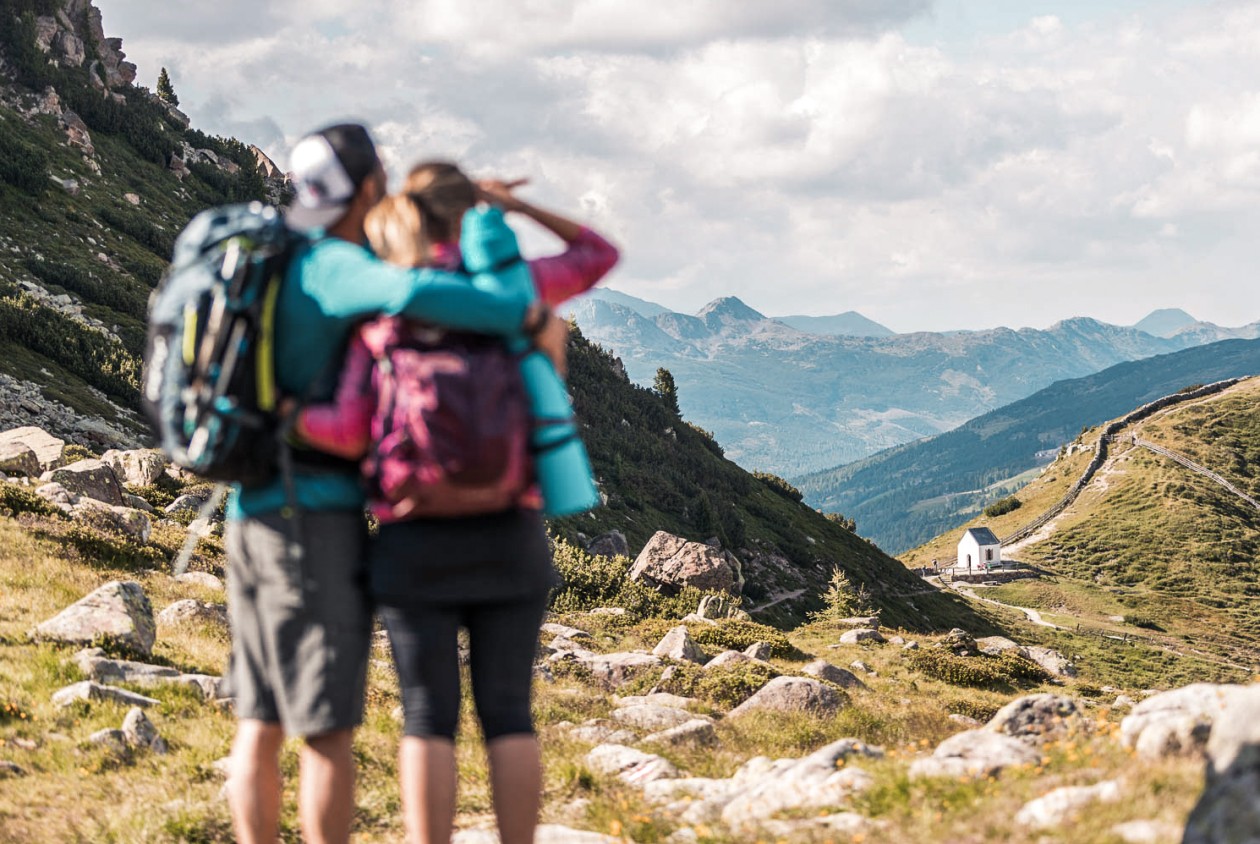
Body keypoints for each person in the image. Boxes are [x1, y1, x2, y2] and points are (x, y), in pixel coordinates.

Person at [223, 126, 568, 844]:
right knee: (329, 732)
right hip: (315, 516)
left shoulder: (267, 254)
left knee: (261, 722)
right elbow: (411, 292)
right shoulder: (341, 267)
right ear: (369, 188)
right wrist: (524, 316)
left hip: (246, 506)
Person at [295, 161, 618, 844]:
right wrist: (515, 209)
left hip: (415, 542)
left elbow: (350, 430)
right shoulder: (513, 289)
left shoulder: (388, 309)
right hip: (511, 533)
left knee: (426, 715)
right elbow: (599, 255)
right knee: (509, 712)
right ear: (466, 213)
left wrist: (282, 419)